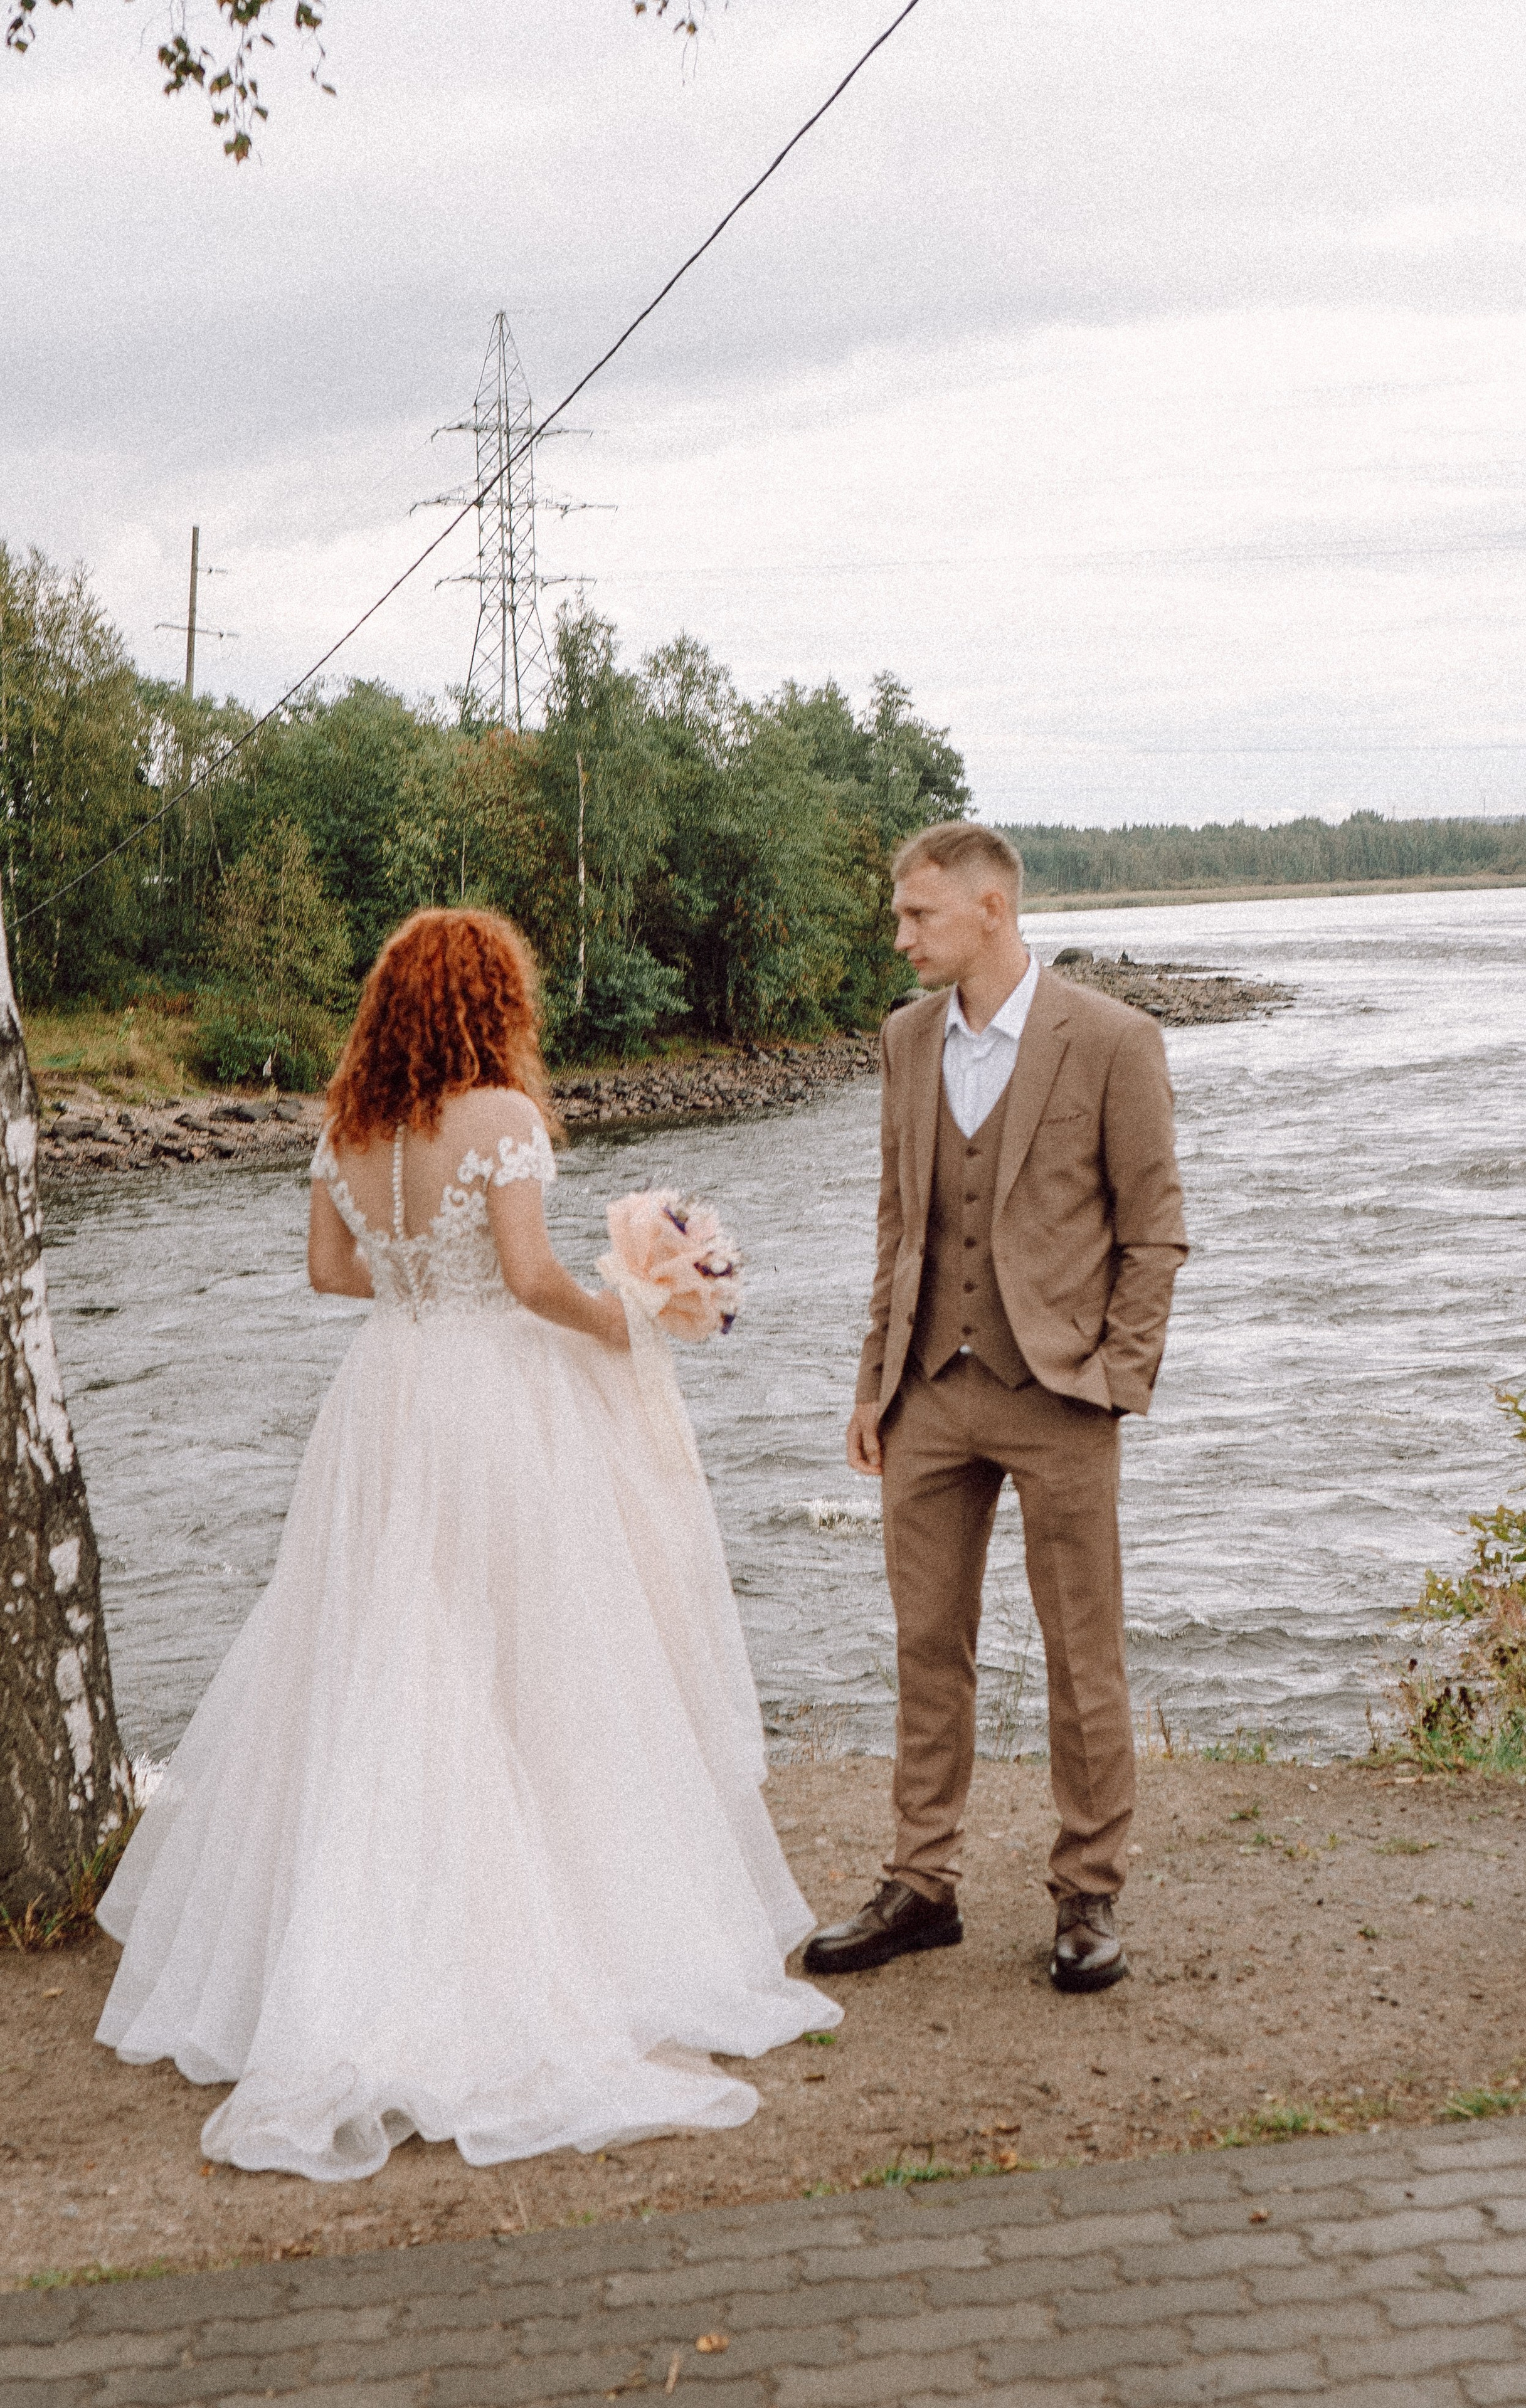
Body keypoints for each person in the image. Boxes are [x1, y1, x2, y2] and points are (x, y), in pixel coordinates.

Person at [97, 907, 838, 2181]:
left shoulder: (350, 1127)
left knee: (377, 1643)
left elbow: (332, 1275)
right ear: (492, 1001)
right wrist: (635, 1320)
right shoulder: (500, 1120)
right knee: (520, 1649)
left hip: (385, 1402)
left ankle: (330, 1957)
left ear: (390, 1005)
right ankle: (514, 1957)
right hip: (492, 1405)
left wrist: (422, 1292)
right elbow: (539, 1279)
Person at [803, 826, 1187, 1993]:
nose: (901, 935)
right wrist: (876, 1381)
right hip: (929, 1392)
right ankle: (923, 1883)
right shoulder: (905, 1040)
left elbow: (1154, 1230)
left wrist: (1116, 1377)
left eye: (919, 916)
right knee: (928, 1645)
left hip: (1061, 1392)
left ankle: (1088, 1894)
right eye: (900, 915)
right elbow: (899, 1224)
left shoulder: (1112, 1039)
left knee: (1084, 1654)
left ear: (988, 909)